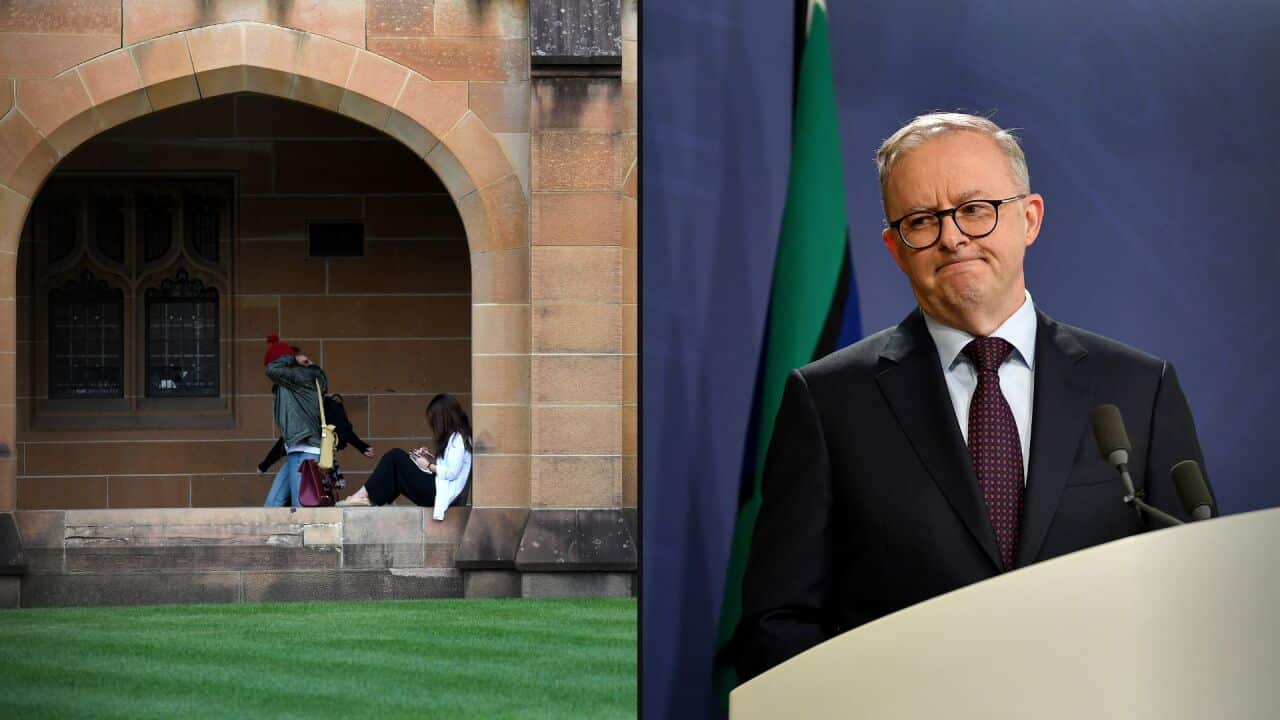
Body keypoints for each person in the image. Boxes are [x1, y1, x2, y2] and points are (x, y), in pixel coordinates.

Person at [733, 112, 1213, 681]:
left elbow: (1192, 601)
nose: (953, 237)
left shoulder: (1140, 390)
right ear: (894, 247)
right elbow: (780, 621)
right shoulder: (827, 401)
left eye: (975, 209)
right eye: (921, 221)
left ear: (1029, 218)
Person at [337, 393, 473, 521]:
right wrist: (430, 458)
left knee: (395, 456)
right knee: (397, 471)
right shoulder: (458, 437)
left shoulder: (458, 438)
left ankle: (362, 496)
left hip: (438, 493)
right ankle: (367, 498)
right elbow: (450, 467)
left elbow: (452, 473)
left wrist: (427, 465)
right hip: (439, 489)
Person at [261, 335, 328, 508]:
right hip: (296, 450)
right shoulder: (292, 381)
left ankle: (308, 536)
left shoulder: (301, 377)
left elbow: (271, 369)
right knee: (272, 504)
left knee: (301, 507)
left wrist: (289, 356)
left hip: (305, 451)